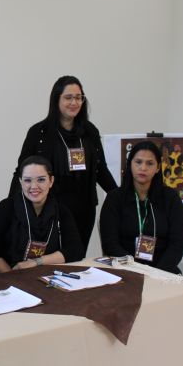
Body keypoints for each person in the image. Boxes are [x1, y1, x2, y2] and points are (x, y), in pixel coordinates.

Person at [10, 75, 116, 251]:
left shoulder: (90, 131)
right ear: (56, 99)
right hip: (49, 209)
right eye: (68, 97)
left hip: (84, 210)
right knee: (52, 258)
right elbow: (21, 172)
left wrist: (119, 196)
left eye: (79, 97)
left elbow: (100, 170)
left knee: (77, 256)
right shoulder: (39, 133)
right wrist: (11, 207)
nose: (74, 102)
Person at [0, 156, 83, 274]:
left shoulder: (61, 211)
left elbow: (75, 249)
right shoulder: (6, 208)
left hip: (47, 276)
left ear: (51, 181)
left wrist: (37, 262)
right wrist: (12, 276)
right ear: (20, 182)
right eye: (27, 180)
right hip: (7, 276)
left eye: (41, 180)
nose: (34, 186)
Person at [99, 141, 183, 274]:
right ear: (130, 164)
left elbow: (178, 243)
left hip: (163, 270)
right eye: (138, 162)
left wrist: (157, 273)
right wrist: (134, 270)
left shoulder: (171, 198)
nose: (143, 168)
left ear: (158, 168)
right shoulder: (114, 198)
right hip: (125, 269)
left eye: (150, 163)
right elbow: (110, 243)